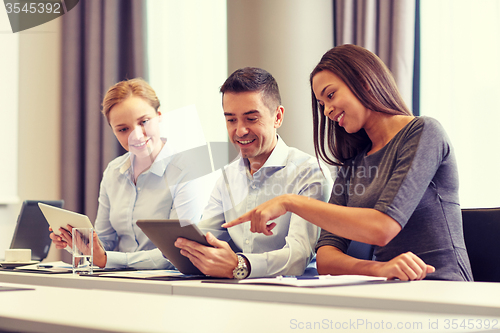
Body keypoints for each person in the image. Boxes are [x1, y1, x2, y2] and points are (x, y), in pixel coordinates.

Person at [224, 45, 473, 281]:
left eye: (330, 95)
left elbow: (383, 227)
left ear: (363, 82)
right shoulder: (353, 163)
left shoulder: (424, 132)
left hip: (442, 286)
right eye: (321, 103)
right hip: (391, 289)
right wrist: (380, 269)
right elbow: (326, 260)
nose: (326, 111)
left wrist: (290, 201)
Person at [174, 67, 333, 279]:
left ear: (277, 117)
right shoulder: (228, 176)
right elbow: (202, 240)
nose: (240, 131)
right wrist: (119, 260)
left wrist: (240, 265)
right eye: (231, 120)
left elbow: (298, 256)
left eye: (251, 119)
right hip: (235, 293)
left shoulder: (310, 173)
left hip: (292, 296)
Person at [50, 78, 207, 269]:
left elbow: (178, 252)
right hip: (119, 280)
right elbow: (105, 242)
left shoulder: (187, 170)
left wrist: (107, 260)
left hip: (167, 283)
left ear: (159, 116)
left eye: (144, 122)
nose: (137, 135)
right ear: (113, 131)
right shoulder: (113, 172)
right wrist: (80, 245)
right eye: (123, 129)